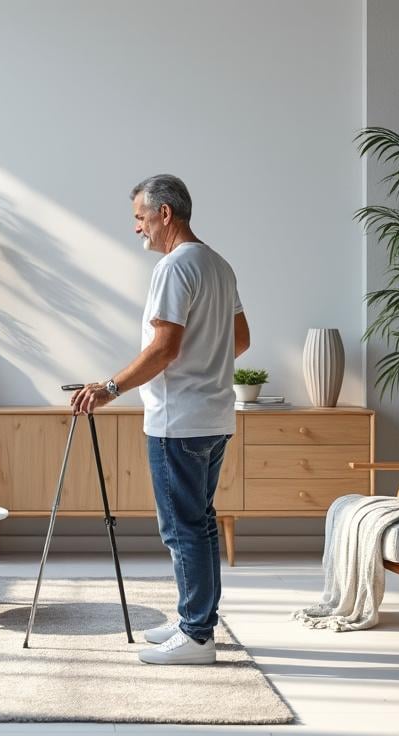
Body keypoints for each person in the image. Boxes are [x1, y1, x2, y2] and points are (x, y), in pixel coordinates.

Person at [70, 174, 250, 665]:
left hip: (178, 421)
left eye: (139, 216)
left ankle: (197, 637)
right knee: (201, 523)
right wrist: (204, 364)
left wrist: (109, 388)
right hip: (214, 416)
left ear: (164, 213)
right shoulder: (218, 265)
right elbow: (239, 341)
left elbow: (164, 348)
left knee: (182, 529)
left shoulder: (174, 267)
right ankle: (196, 621)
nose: (137, 227)